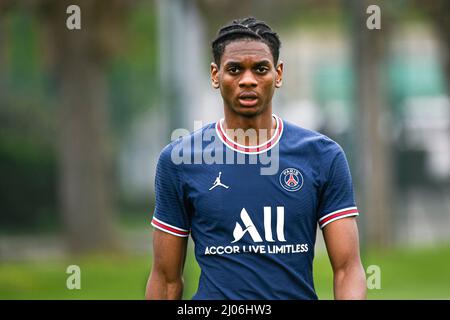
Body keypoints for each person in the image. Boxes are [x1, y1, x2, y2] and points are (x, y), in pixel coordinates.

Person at [146, 17, 366, 300]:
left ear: (278, 74)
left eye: (260, 69)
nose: (247, 79)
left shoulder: (323, 156)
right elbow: (165, 280)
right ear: (215, 75)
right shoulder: (178, 160)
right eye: (234, 69)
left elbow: (347, 269)